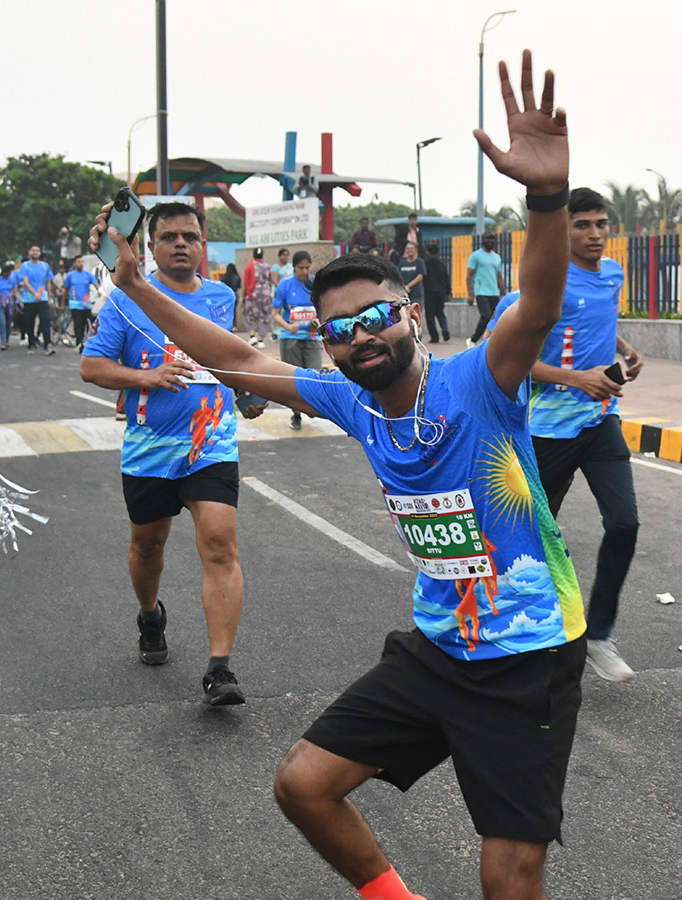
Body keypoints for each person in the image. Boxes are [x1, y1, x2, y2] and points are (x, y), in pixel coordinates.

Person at [92, 50, 583, 899]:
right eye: (341, 330)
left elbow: (535, 302)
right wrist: (136, 292)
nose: (360, 337)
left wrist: (543, 198)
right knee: (303, 785)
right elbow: (239, 359)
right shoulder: (350, 399)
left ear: (410, 316)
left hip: (527, 655)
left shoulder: (481, 379)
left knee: (510, 873)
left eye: (375, 318)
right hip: (439, 647)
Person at [81, 200, 261, 707]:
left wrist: (247, 394)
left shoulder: (222, 296)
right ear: (151, 245)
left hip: (212, 445)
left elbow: (231, 355)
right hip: (149, 450)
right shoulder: (125, 299)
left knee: (221, 545)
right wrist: (145, 377)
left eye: (191, 236)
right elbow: (91, 367)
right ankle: (150, 615)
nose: (181, 244)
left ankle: (220, 669)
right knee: (147, 548)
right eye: (170, 237)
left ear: (203, 245)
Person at [486, 187, 643, 682]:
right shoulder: (538, 288)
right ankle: (503, 625)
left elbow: (597, 316)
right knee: (531, 536)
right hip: (546, 432)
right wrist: (577, 377)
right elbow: (504, 358)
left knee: (624, 522)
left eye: (601, 224)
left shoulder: (613, 274)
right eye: (582, 225)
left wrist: (624, 346)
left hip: (601, 421)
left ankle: (596, 634)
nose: (595, 234)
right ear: (563, 229)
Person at [271, 251, 322, 430]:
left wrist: (320, 320)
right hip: (290, 338)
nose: (305, 271)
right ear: (294, 268)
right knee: (294, 378)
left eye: (308, 267)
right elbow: (275, 314)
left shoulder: (316, 283)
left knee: (315, 374)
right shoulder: (285, 285)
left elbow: (324, 307)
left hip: (313, 337)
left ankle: (311, 406)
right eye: (301, 268)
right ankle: (296, 414)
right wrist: (287, 326)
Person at [466, 232, 506, 346]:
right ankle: (473, 340)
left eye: (492, 239)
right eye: (488, 238)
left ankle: (491, 342)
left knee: (498, 318)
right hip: (481, 291)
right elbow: (469, 275)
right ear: (482, 240)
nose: (490, 241)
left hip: (494, 292)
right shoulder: (476, 256)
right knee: (486, 316)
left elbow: (499, 276)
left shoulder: (497, 257)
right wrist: (470, 294)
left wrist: (504, 293)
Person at [18, 245, 54, 355]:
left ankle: (47, 344)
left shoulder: (45, 266)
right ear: (29, 252)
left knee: (45, 321)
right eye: (33, 250)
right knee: (29, 322)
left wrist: (48, 297)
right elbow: (25, 281)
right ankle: (31, 343)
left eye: (37, 251)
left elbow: (48, 281)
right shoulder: (25, 266)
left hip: (42, 298)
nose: (35, 252)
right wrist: (34, 293)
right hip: (29, 299)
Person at [62, 255, 98, 351]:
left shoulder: (88, 275)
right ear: (75, 264)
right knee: (78, 324)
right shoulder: (70, 276)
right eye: (78, 262)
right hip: (74, 304)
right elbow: (65, 289)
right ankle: (79, 342)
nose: (80, 264)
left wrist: (100, 293)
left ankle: (85, 341)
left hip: (86, 304)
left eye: (82, 262)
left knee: (87, 323)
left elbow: (97, 286)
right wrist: (63, 303)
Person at [242, 247, 273, 348]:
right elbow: (270, 281)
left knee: (249, 314)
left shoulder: (250, 266)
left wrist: (243, 296)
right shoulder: (267, 266)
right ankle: (261, 340)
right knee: (264, 316)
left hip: (253, 293)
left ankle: (252, 335)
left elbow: (246, 282)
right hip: (265, 293)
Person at [422, 242, 451, 343]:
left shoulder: (426, 263)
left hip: (429, 292)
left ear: (428, 252)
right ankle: (445, 328)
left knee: (430, 315)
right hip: (441, 292)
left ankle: (434, 337)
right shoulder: (442, 263)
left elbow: (424, 278)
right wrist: (448, 291)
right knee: (440, 312)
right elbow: (446, 278)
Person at [396, 242, 426, 330]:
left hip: (416, 294)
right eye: (408, 248)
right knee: (404, 315)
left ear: (416, 250)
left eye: (411, 248)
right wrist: (403, 287)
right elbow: (398, 276)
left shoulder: (419, 262)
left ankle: (418, 336)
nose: (409, 250)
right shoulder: (402, 263)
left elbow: (420, 276)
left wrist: (408, 286)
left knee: (416, 315)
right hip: (404, 294)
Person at [0, 261, 19, 350]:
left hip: (10, 302)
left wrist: (20, 301)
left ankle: (6, 340)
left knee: (8, 322)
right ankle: (3, 342)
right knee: (2, 322)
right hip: (0, 302)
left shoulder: (12, 278)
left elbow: (15, 290)